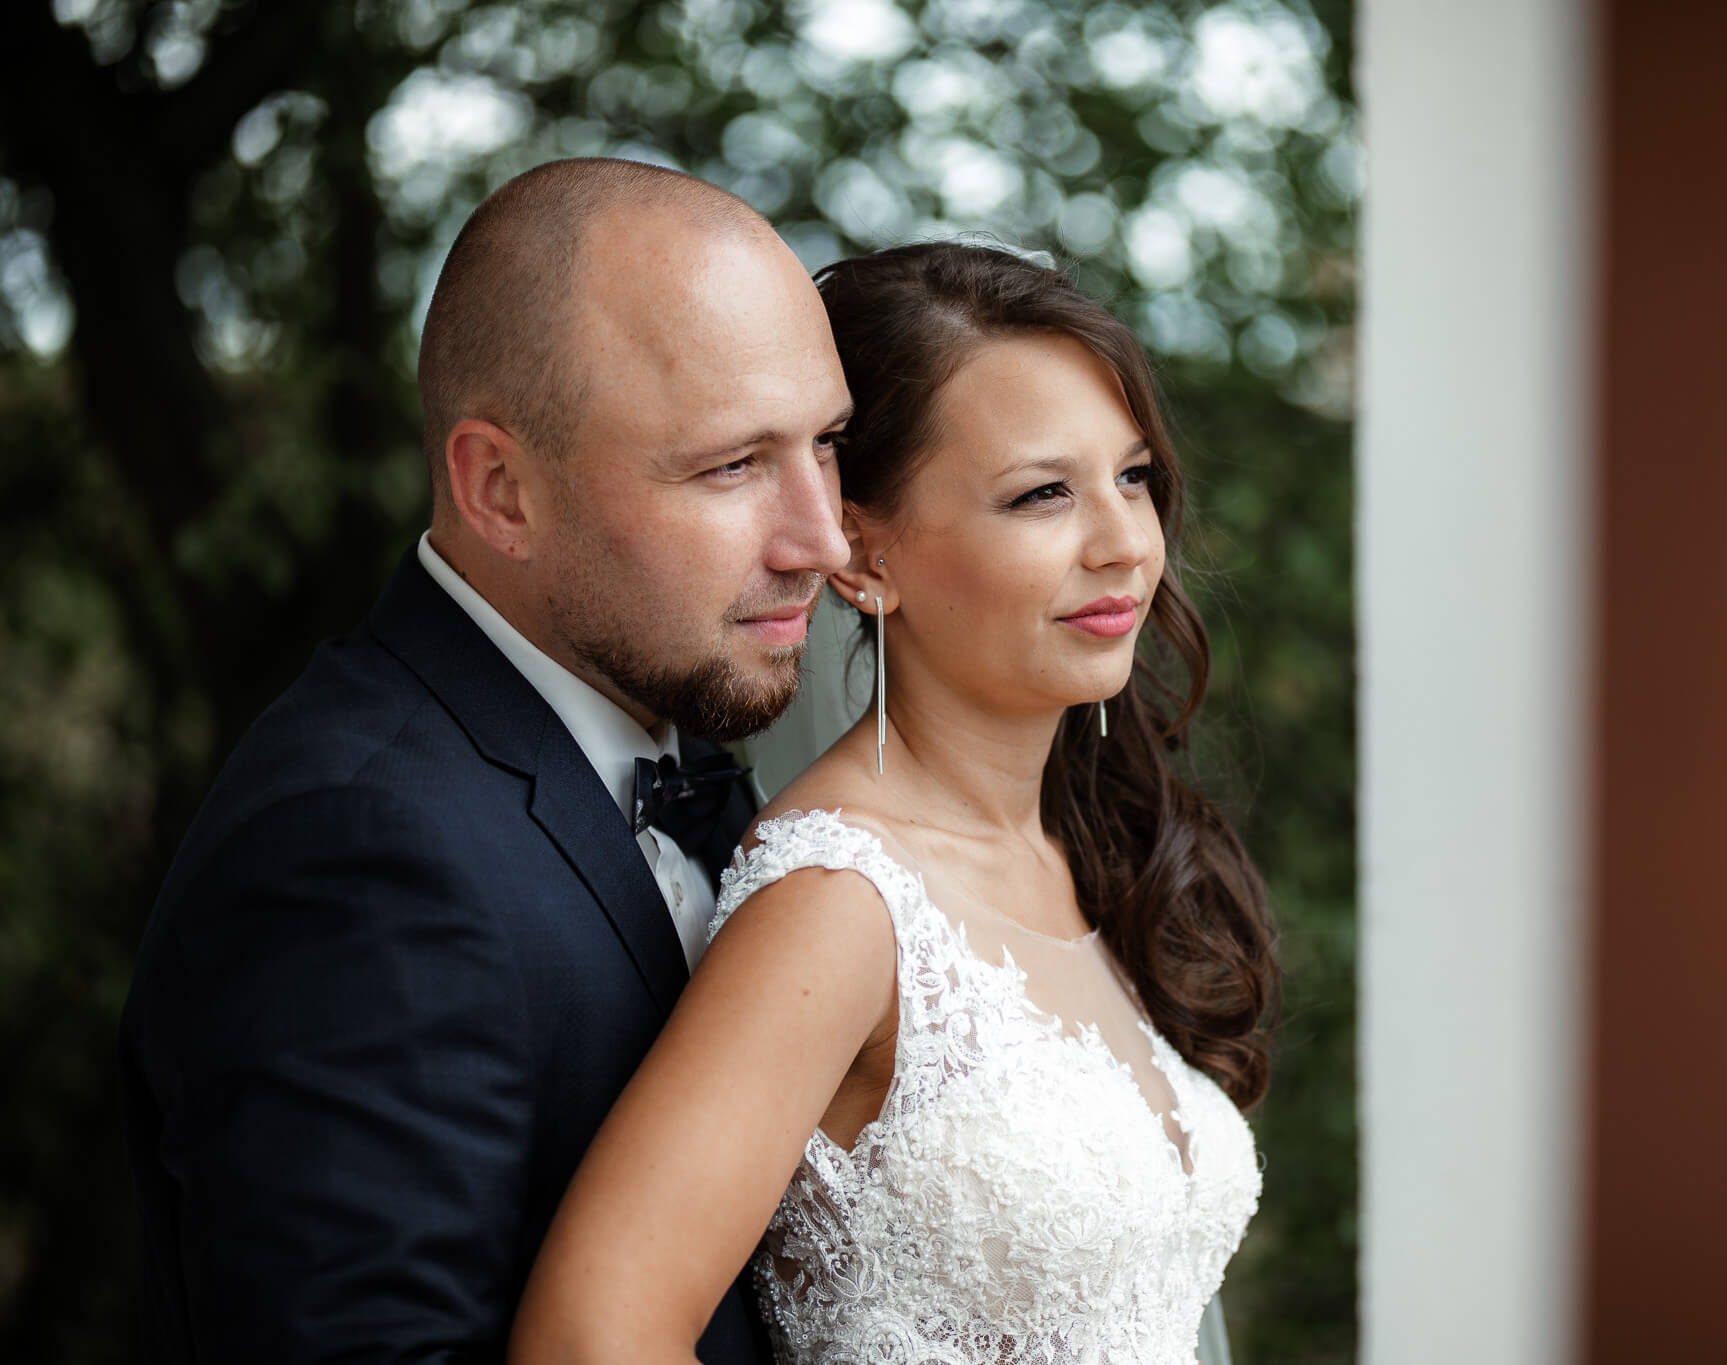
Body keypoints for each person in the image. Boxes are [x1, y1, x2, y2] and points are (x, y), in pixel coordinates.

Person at [118, 158, 850, 1362]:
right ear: (501, 489)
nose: (818, 536)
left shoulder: (698, 760)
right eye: (731, 466)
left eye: (825, 443)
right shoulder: (355, 844)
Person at [511, 243, 1278, 1364]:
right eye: (1041, 495)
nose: (1123, 544)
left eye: (1132, 477)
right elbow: (593, 1331)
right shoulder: (837, 899)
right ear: (864, 556)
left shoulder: (1080, 852)